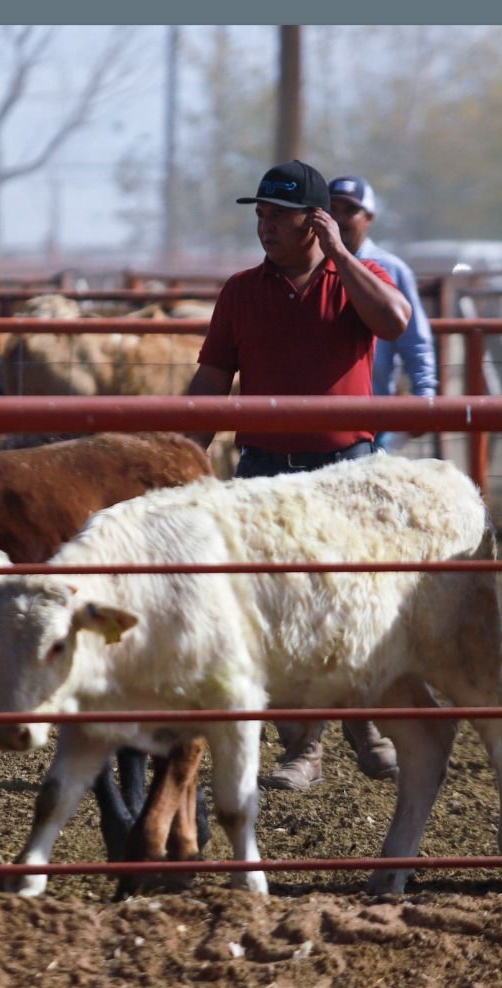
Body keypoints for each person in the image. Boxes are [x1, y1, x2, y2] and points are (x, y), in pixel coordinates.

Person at [183, 159, 404, 791]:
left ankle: (360, 724)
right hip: (265, 471)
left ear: (315, 221)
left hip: (343, 471)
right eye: (260, 215)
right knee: (277, 608)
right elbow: (211, 381)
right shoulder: (240, 292)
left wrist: (340, 253)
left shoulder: (358, 281)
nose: (264, 227)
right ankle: (307, 746)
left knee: (350, 601)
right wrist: (180, 457)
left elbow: (394, 321)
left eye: (277, 215)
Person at [328, 176, 437, 451]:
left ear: (369, 218)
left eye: (350, 211)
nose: (339, 219)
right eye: (332, 210)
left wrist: (424, 398)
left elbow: (414, 340)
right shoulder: (311, 267)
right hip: (323, 414)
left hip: (371, 415)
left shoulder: (391, 269)